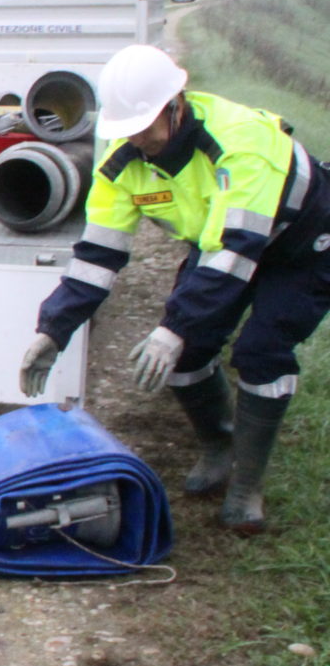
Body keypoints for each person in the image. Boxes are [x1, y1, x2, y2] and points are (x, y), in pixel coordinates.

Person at [19, 44, 330, 535]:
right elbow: (98, 256)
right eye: (127, 129)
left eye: (145, 126)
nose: (138, 139)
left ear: (175, 104)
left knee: (261, 350)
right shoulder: (122, 164)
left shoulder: (239, 142)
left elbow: (236, 251)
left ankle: (247, 486)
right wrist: (54, 328)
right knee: (188, 353)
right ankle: (219, 446)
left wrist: (172, 328)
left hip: (301, 244)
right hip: (222, 244)